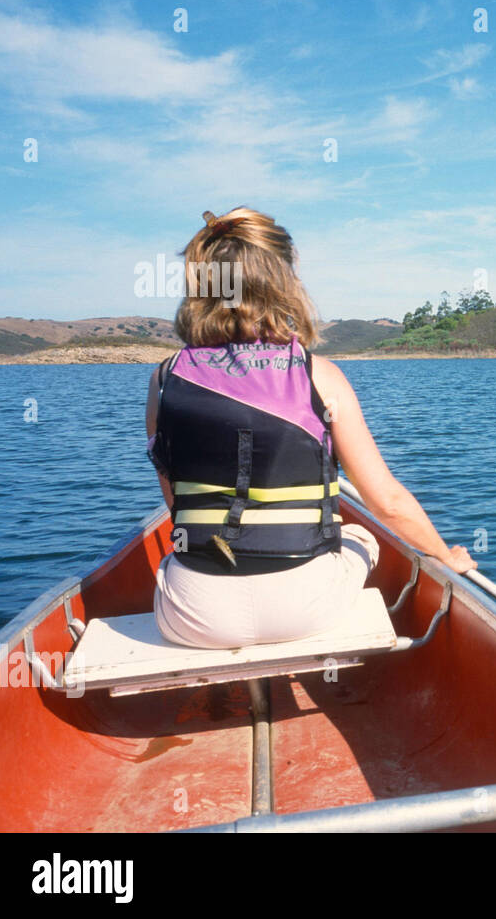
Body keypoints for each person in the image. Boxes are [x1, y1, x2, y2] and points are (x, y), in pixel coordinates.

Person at [145, 206, 475, 649]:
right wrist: (444, 555)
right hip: (306, 611)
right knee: (360, 534)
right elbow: (390, 503)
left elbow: (175, 501)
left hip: (195, 620)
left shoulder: (165, 380)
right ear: (282, 282)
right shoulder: (319, 375)